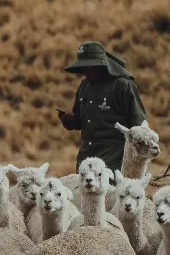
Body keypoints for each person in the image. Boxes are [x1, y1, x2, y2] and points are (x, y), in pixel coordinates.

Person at [56, 41, 147, 172]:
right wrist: (69, 121)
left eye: (90, 67)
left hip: (114, 158)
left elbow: (140, 124)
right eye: (83, 68)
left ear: (101, 65)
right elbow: (79, 120)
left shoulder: (121, 85)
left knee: (108, 191)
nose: (86, 72)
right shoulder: (84, 86)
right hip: (86, 157)